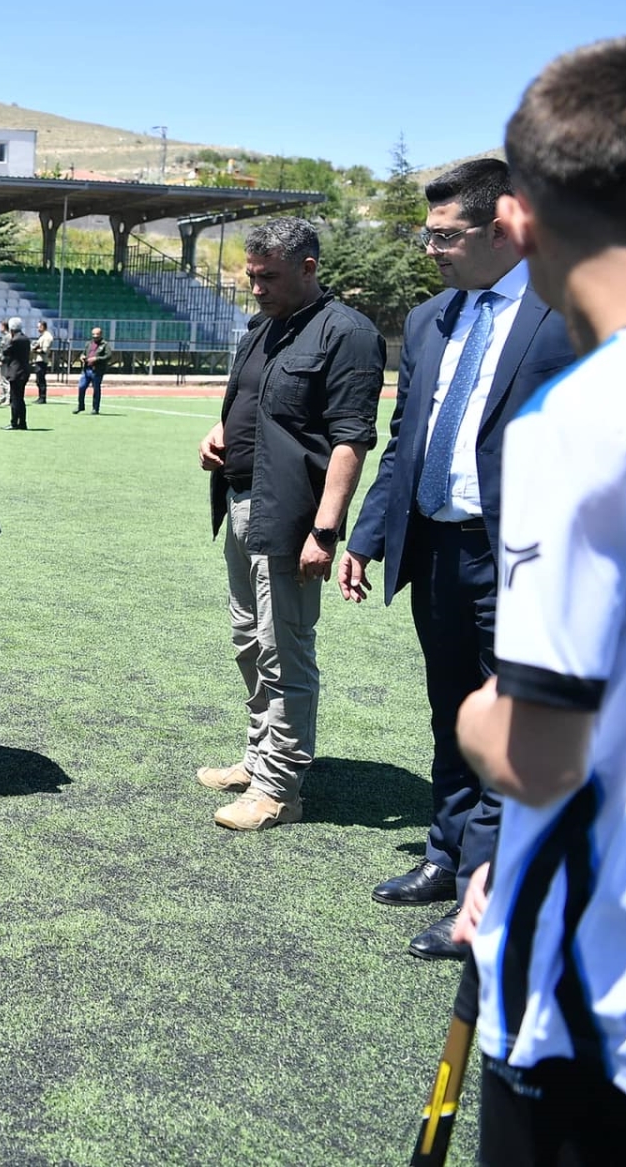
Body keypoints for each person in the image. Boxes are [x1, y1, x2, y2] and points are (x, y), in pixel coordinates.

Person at [451, 34, 626, 1162]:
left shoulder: (590, 418)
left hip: (613, 1005)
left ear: (521, 218)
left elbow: (537, 756)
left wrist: (472, 717)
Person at [340, 158, 574, 960]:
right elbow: (406, 439)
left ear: (502, 225)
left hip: (525, 558)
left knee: (509, 726)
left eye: (444, 235)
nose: (428, 249)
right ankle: (445, 851)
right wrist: (368, 535)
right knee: (451, 709)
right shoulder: (431, 317)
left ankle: (490, 887)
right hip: (436, 549)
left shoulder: (568, 310)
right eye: (425, 233)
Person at [196, 217, 384, 830]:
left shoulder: (347, 334)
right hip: (242, 502)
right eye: (251, 276)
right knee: (249, 641)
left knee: (285, 651)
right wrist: (221, 432)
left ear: (308, 268)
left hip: (293, 517)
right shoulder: (264, 327)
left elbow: (351, 441)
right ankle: (257, 759)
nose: (256, 288)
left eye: (268, 277)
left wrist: (325, 532)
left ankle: (280, 789)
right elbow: (253, 403)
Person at [0, 316, 31, 430]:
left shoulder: (14, 340)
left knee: (15, 398)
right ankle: (22, 422)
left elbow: (6, 351)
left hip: (15, 372)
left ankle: (14, 422)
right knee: (20, 398)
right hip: (24, 371)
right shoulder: (26, 339)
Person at [74, 327, 110, 414]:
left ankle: (95, 408)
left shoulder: (104, 345)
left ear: (100, 335)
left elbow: (108, 356)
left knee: (96, 389)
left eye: (97, 335)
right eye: (93, 334)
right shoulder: (88, 343)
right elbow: (84, 353)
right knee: (81, 387)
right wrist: (82, 357)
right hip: (86, 370)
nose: (95, 336)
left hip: (96, 371)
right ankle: (80, 406)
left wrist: (96, 359)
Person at [32, 320, 54, 402]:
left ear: (43, 327)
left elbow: (44, 350)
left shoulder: (47, 337)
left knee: (41, 379)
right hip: (38, 360)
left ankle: (43, 397)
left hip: (42, 360)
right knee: (38, 379)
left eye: (39, 327)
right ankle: (40, 396)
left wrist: (34, 350)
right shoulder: (42, 336)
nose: (37, 329)